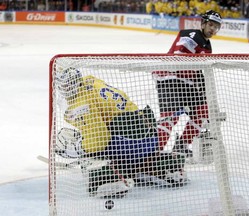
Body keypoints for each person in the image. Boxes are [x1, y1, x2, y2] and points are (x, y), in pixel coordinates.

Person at [54, 67, 188, 198]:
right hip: (149, 136)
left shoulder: (80, 105)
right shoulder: (90, 80)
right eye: (65, 84)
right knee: (125, 146)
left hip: (126, 142)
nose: (68, 87)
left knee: (90, 149)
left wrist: (77, 149)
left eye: (69, 83)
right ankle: (165, 165)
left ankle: (109, 178)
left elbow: (99, 140)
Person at [153, 10, 222, 161]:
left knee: (204, 110)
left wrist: (203, 93)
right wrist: (184, 104)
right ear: (203, 23)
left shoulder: (207, 45)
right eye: (211, 25)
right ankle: (153, 154)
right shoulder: (190, 34)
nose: (213, 29)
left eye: (216, 27)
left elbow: (198, 71)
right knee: (170, 118)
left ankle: (181, 146)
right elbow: (179, 58)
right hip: (169, 79)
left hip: (187, 83)